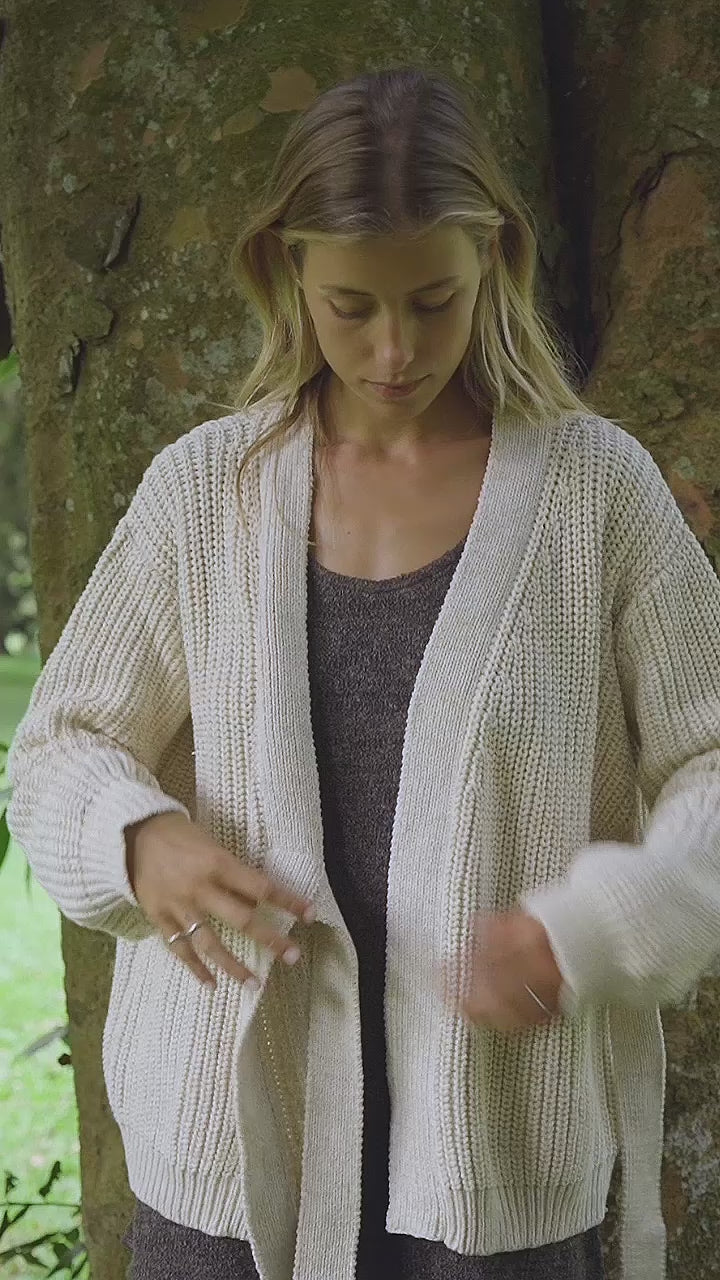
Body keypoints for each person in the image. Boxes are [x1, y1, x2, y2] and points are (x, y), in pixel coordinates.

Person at [7, 64, 720, 1280]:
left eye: (435, 302)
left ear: (494, 258)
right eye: (352, 306)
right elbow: (59, 746)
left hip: (495, 1165)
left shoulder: (597, 494)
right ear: (288, 273)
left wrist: (602, 922)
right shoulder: (205, 492)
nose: (394, 349)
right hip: (231, 1161)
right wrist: (136, 840)